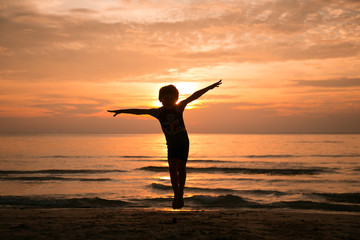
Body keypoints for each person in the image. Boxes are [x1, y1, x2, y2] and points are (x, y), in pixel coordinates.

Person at [107, 80, 222, 209]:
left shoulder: (179, 107)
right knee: (172, 169)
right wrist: (121, 111)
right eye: (165, 97)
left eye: (171, 97)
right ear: (160, 99)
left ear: (176, 98)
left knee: (181, 168)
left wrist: (210, 87)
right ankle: (176, 195)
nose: (168, 99)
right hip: (171, 144)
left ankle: (180, 193)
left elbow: (194, 95)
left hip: (183, 142)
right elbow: (139, 111)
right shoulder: (158, 112)